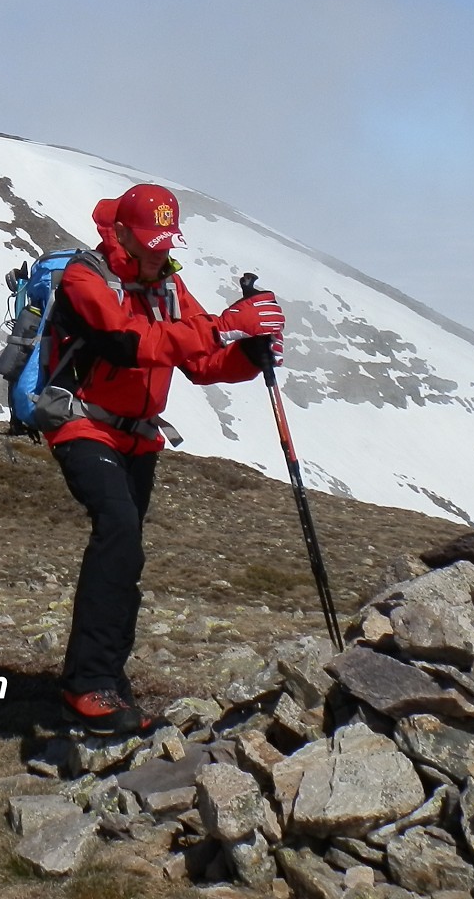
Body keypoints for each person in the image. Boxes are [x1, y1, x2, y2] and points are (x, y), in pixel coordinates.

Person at [41, 182, 286, 735]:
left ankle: (107, 683)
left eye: (165, 239)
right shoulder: (86, 278)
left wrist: (250, 350)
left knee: (127, 554)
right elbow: (128, 343)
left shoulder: (169, 286)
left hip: (138, 436)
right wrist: (225, 326)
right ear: (121, 231)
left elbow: (203, 362)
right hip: (82, 423)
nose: (157, 249)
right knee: (119, 529)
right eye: (148, 239)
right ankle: (85, 687)